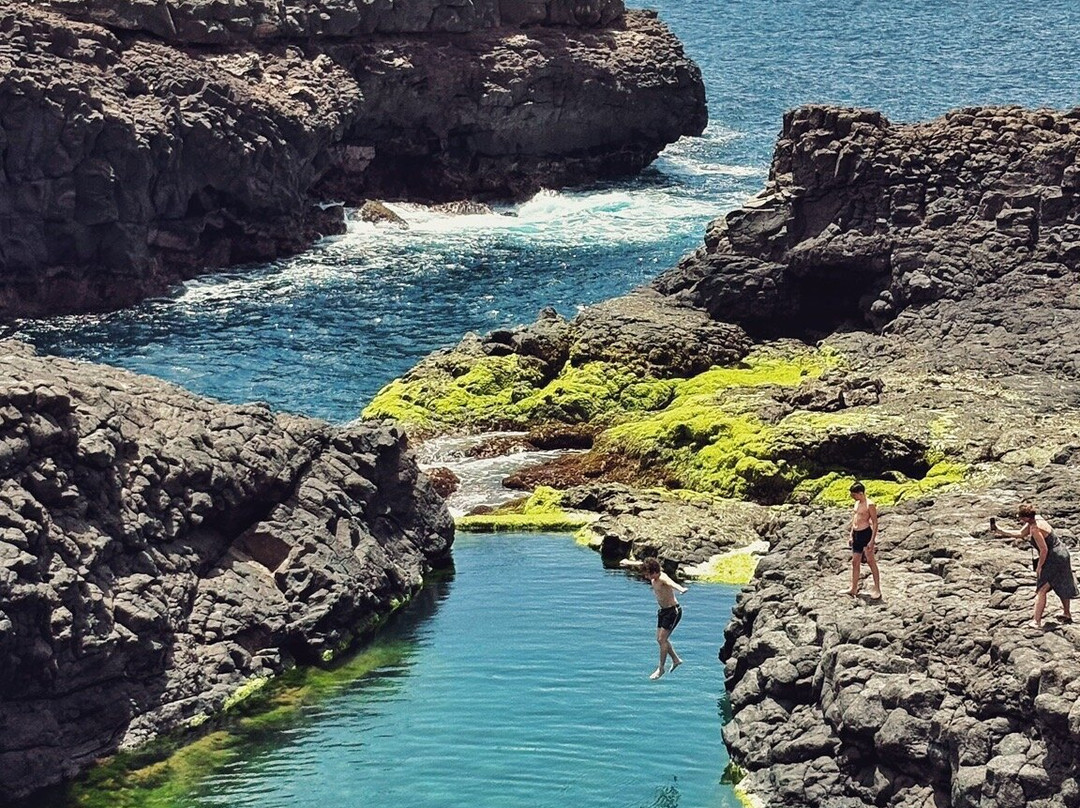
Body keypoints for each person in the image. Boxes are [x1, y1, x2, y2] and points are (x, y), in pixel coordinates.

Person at [992, 503, 1078, 628]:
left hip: (1054, 557)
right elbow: (1020, 533)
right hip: (1062, 553)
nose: (1019, 519)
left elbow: (1044, 550)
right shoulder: (1037, 519)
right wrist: (1000, 531)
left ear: (1026, 518)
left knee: (1042, 589)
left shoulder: (1035, 529)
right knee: (1062, 582)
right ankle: (1067, 613)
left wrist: (1039, 566)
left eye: (1021, 517)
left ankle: (1036, 621)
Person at [641, 557, 687, 680]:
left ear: (654, 572)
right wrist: (628, 562)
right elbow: (642, 563)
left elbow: (672, 583)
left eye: (647, 575)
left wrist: (681, 589)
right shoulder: (653, 576)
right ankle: (676, 660)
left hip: (673, 612)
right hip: (663, 612)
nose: (646, 577)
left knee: (662, 639)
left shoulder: (662, 578)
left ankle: (661, 668)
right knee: (660, 640)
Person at [847, 481, 882, 599]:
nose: (853, 497)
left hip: (866, 534)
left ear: (860, 493)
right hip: (856, 534)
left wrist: (872, 540)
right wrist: (851, 534)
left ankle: (877, 589)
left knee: (871, 561)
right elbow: (855, 518)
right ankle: (853, 588)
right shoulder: (857, 503)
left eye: (854, 495)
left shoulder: (870, 504)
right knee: (855, 562)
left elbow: (875, 522)